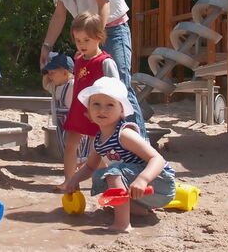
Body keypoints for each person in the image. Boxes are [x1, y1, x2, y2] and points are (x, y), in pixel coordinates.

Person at [35, 0, 148, 141]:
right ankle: (109, 148)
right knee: (93, 91)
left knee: (120, 87)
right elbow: (59, 14)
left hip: (112, 30)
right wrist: (46, 45)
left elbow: (103, 4)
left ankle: (141, 151)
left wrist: (96, 40)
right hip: (86, 38)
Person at [62, 77, 176, 232]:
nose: (102, 110)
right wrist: (73, 179)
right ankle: (140, 211)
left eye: (110, 105)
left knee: (113, 173)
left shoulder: (124, 134)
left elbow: (157, 159)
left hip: (159, 184)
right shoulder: (98, 139)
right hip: (142, 193)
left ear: (122, 110)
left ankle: (122, 224)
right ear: (88, 110)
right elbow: (89, 167)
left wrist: (143, 180)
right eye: (96, 104)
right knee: (101, 177)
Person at [59, 12, 121, 192]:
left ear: (99, 37)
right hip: (79, 109)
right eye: (78, 40)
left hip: (99, 111)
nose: (82, 44)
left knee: (98, 149)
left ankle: (100, 183)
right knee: (70, 144)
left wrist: (109, 113)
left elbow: (116, 88)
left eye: (86, 40)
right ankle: (70, 181)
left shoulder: (105, 62)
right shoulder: (78, 58)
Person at [41, 53, 92, 191]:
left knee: (76, 152)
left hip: (75, 124)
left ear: (65, 72)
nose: (50, 76)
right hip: (63, 125)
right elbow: (45, 84)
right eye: (49, 73)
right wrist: (46, 72)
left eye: (52, 73)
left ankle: (71, 180)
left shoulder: (72, 85)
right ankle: (73, 180)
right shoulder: (56, 86)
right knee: (70, 152)